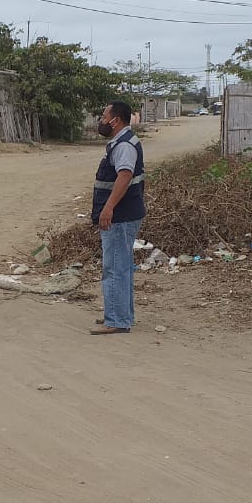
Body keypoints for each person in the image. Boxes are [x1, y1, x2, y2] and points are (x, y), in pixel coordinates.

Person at [89, 100, 146, 335]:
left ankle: (117, 321)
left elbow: (124, 176)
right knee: (121, 266)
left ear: (116, 120)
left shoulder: (124, 146)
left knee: (114, 267)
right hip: (124, 214)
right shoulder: (123, 142)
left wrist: (108, 208)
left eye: (104, 117)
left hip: (120, 217)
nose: (101, 121)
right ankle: (121, 314)